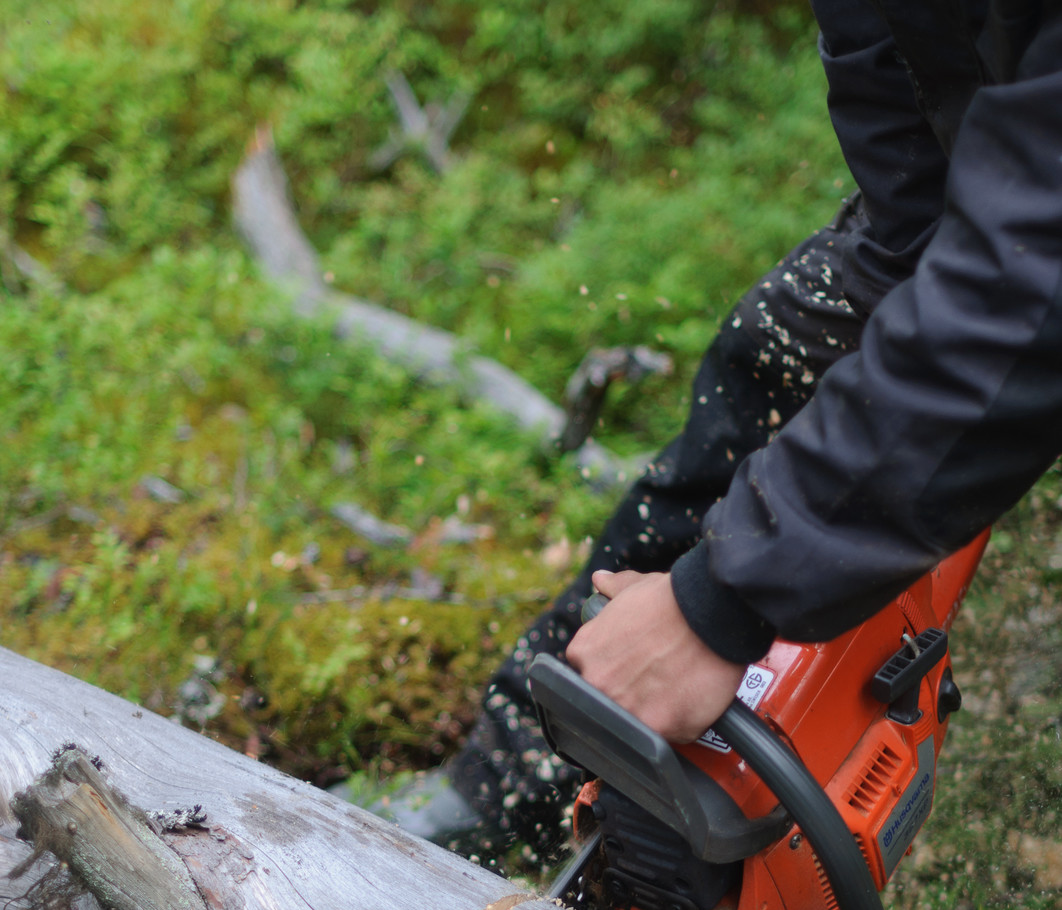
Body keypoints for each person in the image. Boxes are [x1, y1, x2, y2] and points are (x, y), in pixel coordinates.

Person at [375, 0, 1062, 861]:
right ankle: (520, 789)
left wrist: (724, 603)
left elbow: (1036, 284)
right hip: (1005, 202)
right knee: (779, 353)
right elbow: (906, 115)